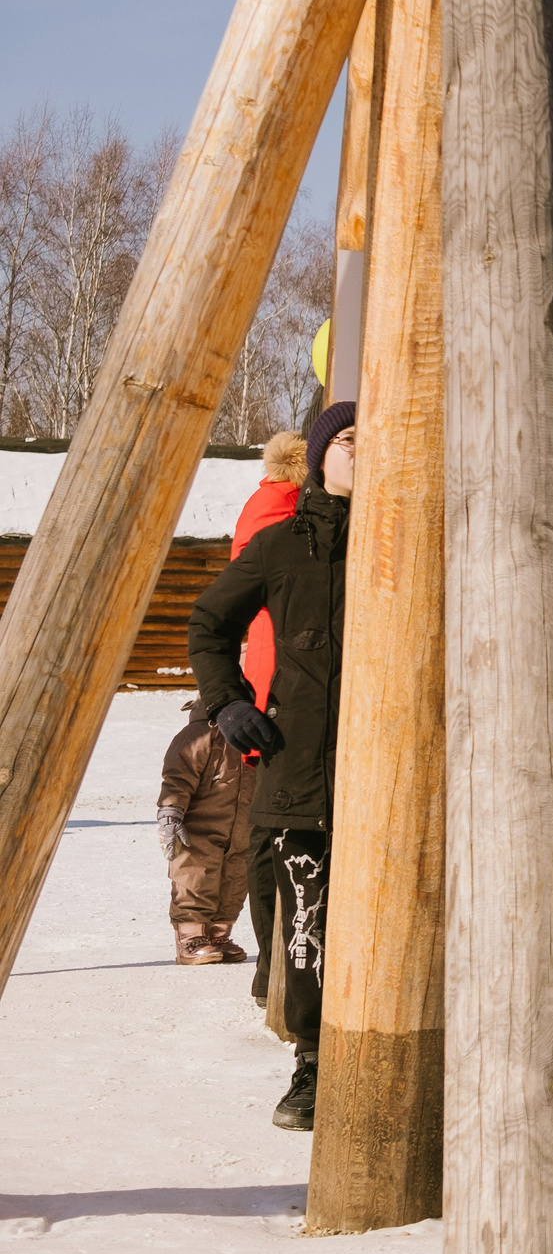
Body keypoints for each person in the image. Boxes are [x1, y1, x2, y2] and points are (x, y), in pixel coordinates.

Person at [186, 399, 357, 1130]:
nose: (362, 451)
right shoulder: (282, 544)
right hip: (301, 773)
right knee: (306, 926)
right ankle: (313, 1063)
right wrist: (227, 702)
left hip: (397, 778)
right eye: (348, 440)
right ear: (319, 455)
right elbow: (209, 621)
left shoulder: (419, 544)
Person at [228, 429, 303, 998]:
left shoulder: (265, 500)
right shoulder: (288, 508)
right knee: (275, 826)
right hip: (285, 679)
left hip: (267, 676)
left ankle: (270, 968)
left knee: (269, 823)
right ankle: (275, 967)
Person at [157, 701, 254, 966]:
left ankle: (219, 935)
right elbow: (177, 777)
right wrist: (171, 810)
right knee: (195, 877)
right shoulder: (199, 733)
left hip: (243, 826)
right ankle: (190, 937)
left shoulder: (252, 731)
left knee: (235, 880)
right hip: (199, 827)